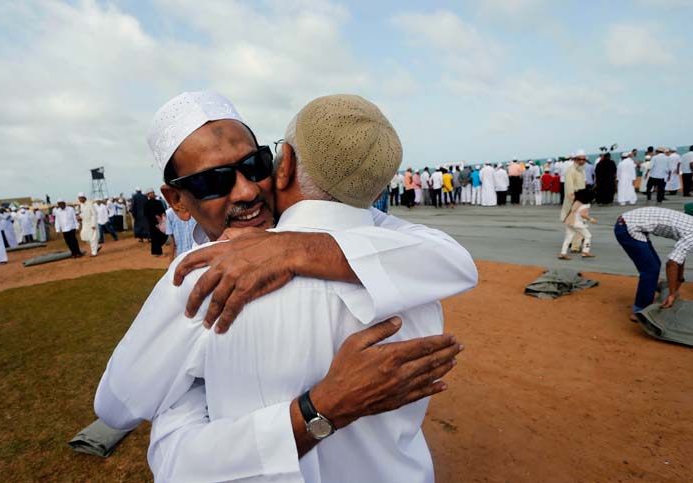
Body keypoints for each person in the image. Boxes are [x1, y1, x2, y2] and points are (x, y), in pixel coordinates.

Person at [95, 92, 478, 482]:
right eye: (213, 181)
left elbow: (120, 405)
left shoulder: (202, 277)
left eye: (253, 164)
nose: (246, 191)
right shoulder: (399, 256)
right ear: (176, 200)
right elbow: (453, 259)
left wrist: (295, 249)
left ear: (282, 164)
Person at [614, 207, 693, 321]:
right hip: (627, 227)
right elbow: (672, 263)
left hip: (630, 221)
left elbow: (681, 254)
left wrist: (679, 278)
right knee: (650, 269)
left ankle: (650, 289)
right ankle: (639, 311)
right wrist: (671, 294)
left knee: (654, 265)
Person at [559, 189, 597, 260]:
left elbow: (569, 195)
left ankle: (563, 253)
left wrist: (577, 193)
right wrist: (591, 219)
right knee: (588, 235)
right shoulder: (586, 204)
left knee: (568, 237)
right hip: (577, 223)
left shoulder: (577, 201)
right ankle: (585, 251)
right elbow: (583, 214)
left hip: (569, 220)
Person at [144, 188, 168, 256]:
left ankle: (156, 250)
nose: (152, 194)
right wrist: (154, 217)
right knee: (154, 237)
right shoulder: (146, 204)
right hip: (152, 222)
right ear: (148, 195)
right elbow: (146, 213)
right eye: (151, 193)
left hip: (160, 222)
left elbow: (163, 210)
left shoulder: (158, 202)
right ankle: (157, 252)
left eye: (153, 192)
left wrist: (162, 215)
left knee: (162, 235)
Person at [78, 192, 99, 257]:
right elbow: (83, 213)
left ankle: (94, 252)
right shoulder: (81, 205)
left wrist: (93, 224)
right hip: (85, 224)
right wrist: (79, 216)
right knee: (84, 236)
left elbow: (94, 214)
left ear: (84, 198)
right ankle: (97, 246)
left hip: (91, 223)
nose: (80, 199)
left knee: (92, 238)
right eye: (79, 198)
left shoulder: (90, 204)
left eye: (81, 198)